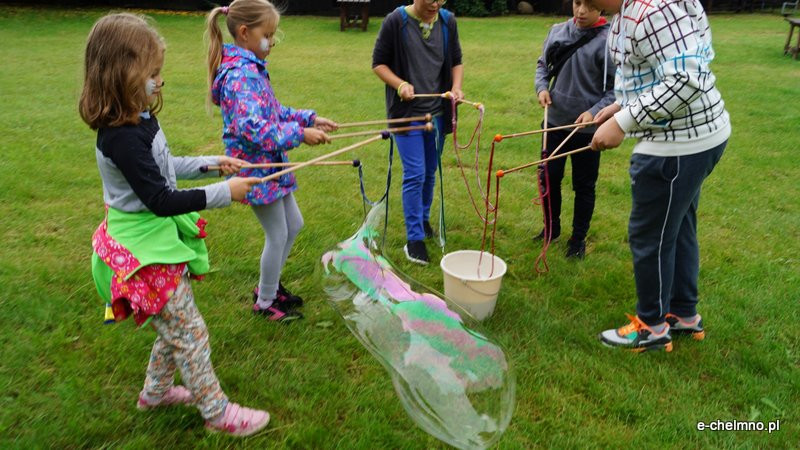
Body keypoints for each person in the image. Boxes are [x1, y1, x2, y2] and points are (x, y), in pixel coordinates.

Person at [81, 13, 270, 435]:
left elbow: (164, 167)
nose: (159, 82)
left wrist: (212, 165)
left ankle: (156, 392)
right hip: (143, 254)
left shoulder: (139, 117)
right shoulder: (121, 137)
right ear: (120, 74)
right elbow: (161, 199)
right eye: (152, 74)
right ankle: (218, 414)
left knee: (176, 326)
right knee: (191, 332)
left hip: (156, 241)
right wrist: (227, 192)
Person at [588, 0, 730, 351]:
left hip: (678, 145)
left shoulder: (652, 11)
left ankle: (651, 327)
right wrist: (621, 105)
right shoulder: (626, 14)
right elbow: (652, 72)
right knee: (677, 227)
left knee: (649, 236)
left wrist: (623, 123)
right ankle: (682, 314)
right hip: (695, 138)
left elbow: (688, 78)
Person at [206, 0, 338, 320]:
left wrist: (309, 119)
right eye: (268, 35)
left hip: (272, 164)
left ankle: (270, 285)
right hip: (255, 169)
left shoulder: (252, 69)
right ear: (244, 33)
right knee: (277, 233)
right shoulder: (239, 76)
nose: (272, 42)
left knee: (295, 224)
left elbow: (274, 112)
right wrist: (299, 135)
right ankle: (265, 302)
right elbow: (254, 130)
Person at [372, 0, 464, 265]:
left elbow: (456, 60)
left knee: (430, 172)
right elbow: (379, 63)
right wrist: (399, 84)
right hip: (407, 114)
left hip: (437, 114)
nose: (435, 4)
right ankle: (414, 239)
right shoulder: (395, 22)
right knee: (415, 173)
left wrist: (456, 87)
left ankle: (423, 221)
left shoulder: (448, 22)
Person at [534, 0, 614, 259]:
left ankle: (577, 240)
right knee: (549, 177)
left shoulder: (610, 41)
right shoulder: (557, 31)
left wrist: (594, 112)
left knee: (584, 185)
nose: (581, 11)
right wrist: (542, 87)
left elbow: (618, 90)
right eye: (577, 2)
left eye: (589, 6)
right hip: (554, 122)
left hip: (588, 132)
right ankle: (551, 229)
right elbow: (542, 66)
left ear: (601, 7)